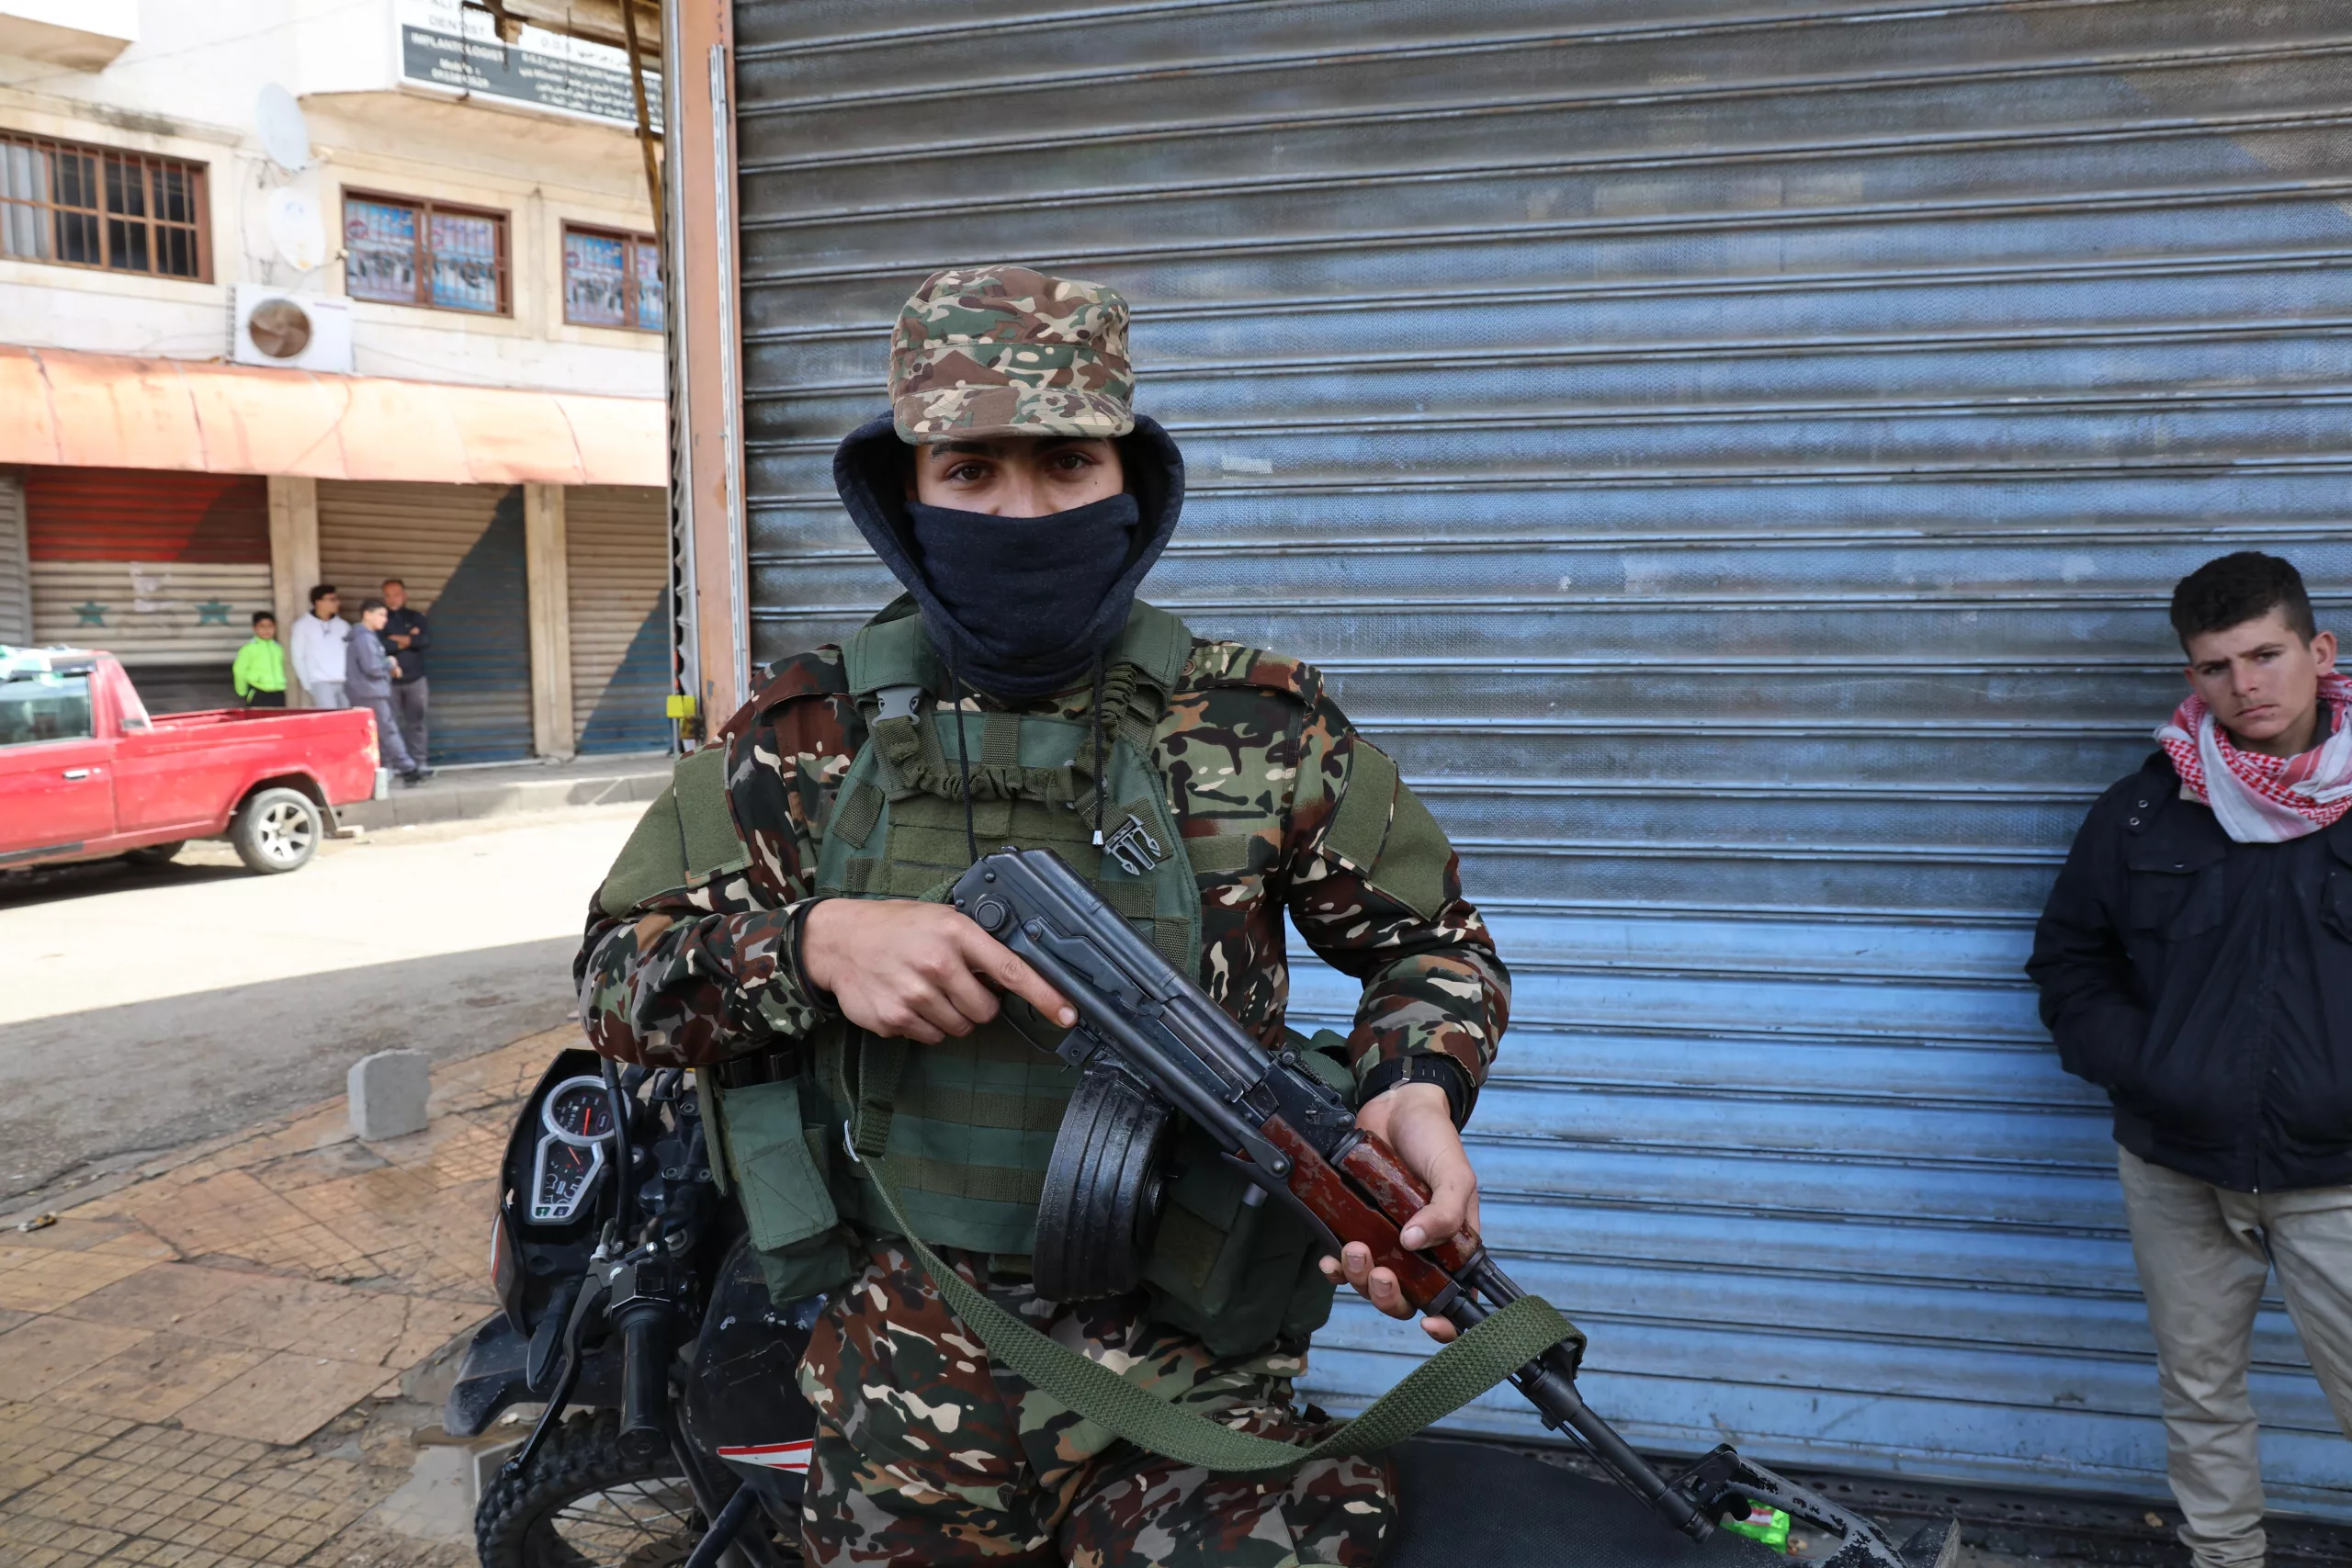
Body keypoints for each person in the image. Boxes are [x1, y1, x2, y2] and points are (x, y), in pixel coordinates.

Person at [577, 265, 1510, 1567]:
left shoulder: (1256, 724)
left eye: (1067, 464)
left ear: (1130, 486)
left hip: (1194, 1380)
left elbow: (1432, 943)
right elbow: (615, 974)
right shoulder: (805, 734)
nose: (1021, 512)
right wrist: (811, 946)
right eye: (970, 471)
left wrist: (1415, 1086)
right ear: (906, 495)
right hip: (903, 1391)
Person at [2029, 551, 2352, 1568]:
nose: (2244, 685)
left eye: (2265, 654)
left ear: (2320, 650)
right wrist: (2150, 1066)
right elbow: (2070, 959)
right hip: (2176, 1162)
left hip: (2337, 1173)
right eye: (2216, 666)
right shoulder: (2143, 809)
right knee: (2200, 1391)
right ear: (2191, 675)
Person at [346, 597, 429, 785]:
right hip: (371, 691)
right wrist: (390, 662)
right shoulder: (365, 638)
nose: (385, 619)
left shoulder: (364, 637)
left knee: (378, 732)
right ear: (367, 615)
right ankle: (408, 769)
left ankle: (387, 769)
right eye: (381, 615)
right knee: (388, 730)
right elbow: (373, 667)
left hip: (365, 691)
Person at [379, 577, 430, 768]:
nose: (392, 599)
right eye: (388, 595)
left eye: (396, 595)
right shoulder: (380, 619)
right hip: (389, 681)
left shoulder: (416, 618)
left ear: (404, 595)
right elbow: (381, 645)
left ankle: (420, 763)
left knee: (417, 723)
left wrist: (394, 639)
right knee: (389, 725)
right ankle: (392, 766)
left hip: (416, 680)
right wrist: (408, 639)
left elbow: (424, 641)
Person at [289, 584, 349, 709]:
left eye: (336, 599)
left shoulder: (343, 626)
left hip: (344, 681)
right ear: (318, 602)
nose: (337, 603)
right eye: (332, 599)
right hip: (320, 682)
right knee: (330, 718)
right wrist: (307, 684)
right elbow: (298, 656)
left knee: (348, 716)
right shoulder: (302, 626)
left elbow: (350, 653)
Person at [232, 612, 287, 708]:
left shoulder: (278, 648)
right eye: (262, 626)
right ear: (254, 628)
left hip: (278, 692)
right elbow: (239, 671)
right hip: (258, 692)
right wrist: (242, 692)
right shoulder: (248, 649)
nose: (266, 630)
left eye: (270, 626)